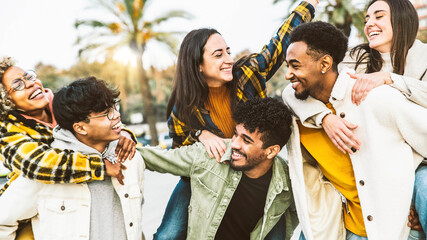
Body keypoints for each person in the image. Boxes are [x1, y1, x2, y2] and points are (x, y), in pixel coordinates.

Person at [159, 1, 318, 239]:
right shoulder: (183, 107)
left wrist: (308, 4)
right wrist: (200, 134)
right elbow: (182, 157)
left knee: (269, 232)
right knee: (167, 235)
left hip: (254, 170)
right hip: (212, 175)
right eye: (218, 54)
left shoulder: (247, 75)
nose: (228, 59)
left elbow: (279, 44)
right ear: (198, 65)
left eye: (228, 51)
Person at [283, 0, 427, 236]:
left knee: (425, 185)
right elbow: (301, 87)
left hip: (419, 158)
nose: (370, 23)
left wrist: (389, 80)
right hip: (379, 166)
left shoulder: (422, 56)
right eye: (367, 18)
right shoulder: (357, 58)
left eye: (378, 16)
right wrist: (324, 118)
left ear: (402, 19)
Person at [0, 57, 136, 238]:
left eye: (29, 76)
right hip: (30, 208)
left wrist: (124, 134)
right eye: (18, 85)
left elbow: (96, 117)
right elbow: (37, 163)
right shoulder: (8, 131)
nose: (30, 84)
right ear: (5, 101)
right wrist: (99, 166)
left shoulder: (59, 103)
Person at [139, 97, 297, 240]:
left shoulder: (288, 183)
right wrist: (123, 139)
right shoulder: (211, 154)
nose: (234, 144)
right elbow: (154, 158)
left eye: (246, 141)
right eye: (236, 134)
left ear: (271, 151)